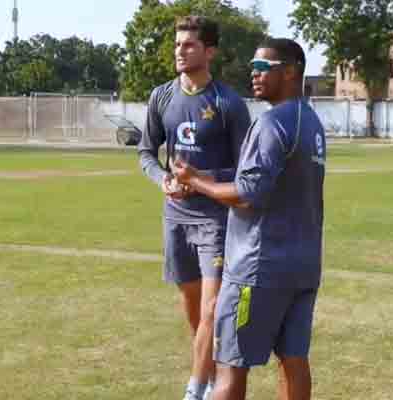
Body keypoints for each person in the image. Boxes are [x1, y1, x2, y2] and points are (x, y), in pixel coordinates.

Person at [172, 38, 326, 400]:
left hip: (257, 268)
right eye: (252, 68)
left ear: (290, 72)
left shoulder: (272, 124)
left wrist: (194, 181)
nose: (253, 75)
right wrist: (210, 180)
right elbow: (269, 184)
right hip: (303, 266)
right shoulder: (312, 122)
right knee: (294, 361)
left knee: (229, 367)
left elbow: (247, 194)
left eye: (262, 69)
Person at [137, 15, 251, 400]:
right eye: (177, 45)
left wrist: (200, 177)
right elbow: (146, 153)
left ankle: (195, 390)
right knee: (194, 313)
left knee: (211, 311)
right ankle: (208, 370)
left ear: (209, 51)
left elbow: (243, 170)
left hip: (216, 222)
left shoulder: (228, 103)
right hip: (175, 220)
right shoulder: (161, 97)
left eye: (188, 45)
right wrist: (164, 180)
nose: (180, 52)